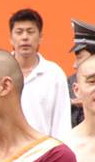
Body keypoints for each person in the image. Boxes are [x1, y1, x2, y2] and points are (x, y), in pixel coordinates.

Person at [9, 8, 71, 141]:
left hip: (43, 154)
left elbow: (62, 122)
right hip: (5, 154)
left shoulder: (54, 74)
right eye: (19, 32)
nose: (25, 37)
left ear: (40, 37)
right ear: (11, 38)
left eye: (30, 32)